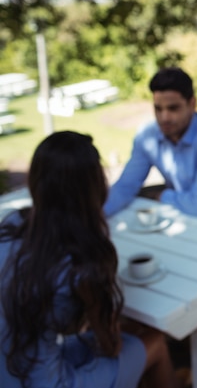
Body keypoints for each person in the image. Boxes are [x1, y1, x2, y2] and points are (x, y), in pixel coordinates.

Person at [0, 131, 179, 387]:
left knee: (131, 336)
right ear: (95, 187)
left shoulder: (13, 224)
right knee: (155, 343)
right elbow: (111, 346)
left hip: (8, 371)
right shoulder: (83, 260)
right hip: (44, 382)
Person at [104, 67, 197, 220]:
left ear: (192, 104)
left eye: (173, 108)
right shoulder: (148, 136)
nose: (164, 117)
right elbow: (125, 187)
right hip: (183, 214)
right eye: (158, 108)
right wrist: (94, 217)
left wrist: (163, 196)